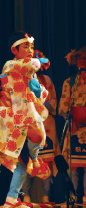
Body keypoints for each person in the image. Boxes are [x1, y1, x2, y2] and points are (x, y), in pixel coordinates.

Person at [0, 31, 51, 208]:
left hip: (24, 117)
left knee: (22, 163)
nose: (30, 50)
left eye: (31, 46)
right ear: (14, 50)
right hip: (9, 117)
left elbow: (39, 97)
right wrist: (41, 61)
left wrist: (40, 91)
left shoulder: (31, 72)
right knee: (37, 136)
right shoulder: (12, 65)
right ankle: (36, 160)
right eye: (26, 46)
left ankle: (11, 199)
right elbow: (28, 66)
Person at [22, 50, 61, 205]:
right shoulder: (21, 80)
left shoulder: (46, 80)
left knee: (46, 160)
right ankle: (26, 196)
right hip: (28, 125)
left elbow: (53, 103)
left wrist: (40, 105)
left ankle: (46, 196)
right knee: (26, 160)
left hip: (46, 125)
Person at [58, 47, 86, 203]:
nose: (82, 60)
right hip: (74, 126)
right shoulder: (69, 82)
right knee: (73, 166)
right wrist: (72, 116)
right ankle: (73, 197)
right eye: (80, 58)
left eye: (85, 58)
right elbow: (62, 106)